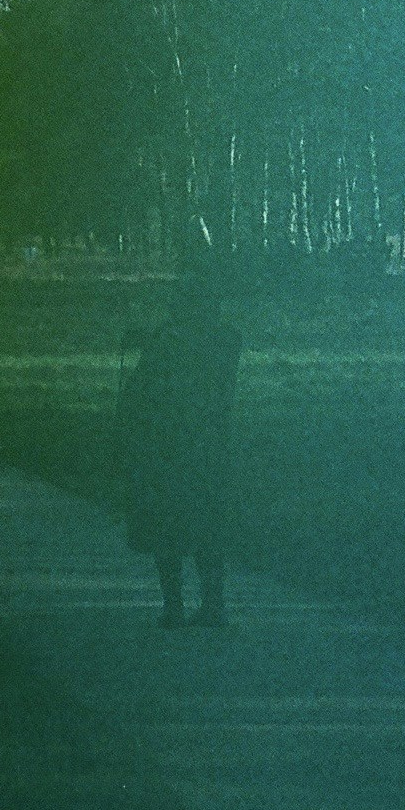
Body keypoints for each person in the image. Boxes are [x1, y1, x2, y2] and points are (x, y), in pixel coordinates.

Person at [114, 259, 241, 628]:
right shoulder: (223, 342)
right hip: (210, 446)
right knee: (206, 525)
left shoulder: (171, 345)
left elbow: (141, 393)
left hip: (168, 448)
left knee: (168, 527)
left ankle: (175, 605)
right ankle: (211, 603)